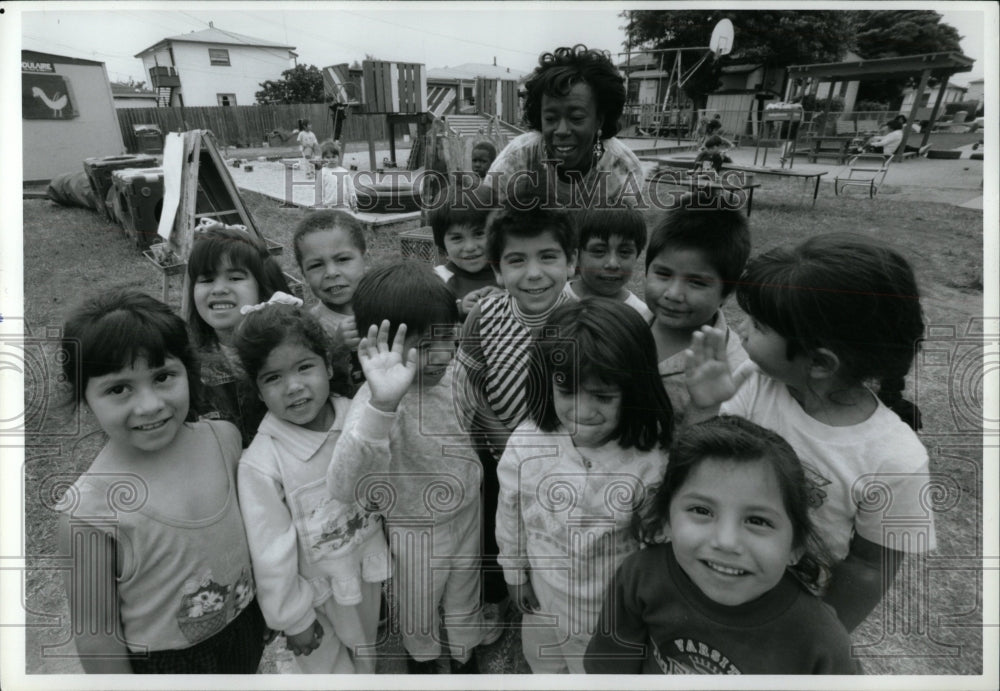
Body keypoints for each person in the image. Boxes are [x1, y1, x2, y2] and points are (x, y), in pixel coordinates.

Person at [685, 233, 933, 632]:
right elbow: (695, 473)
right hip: (711, 576)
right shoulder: (754, 383)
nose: (741, 330)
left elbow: (870, 567)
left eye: (759, 325)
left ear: (819, 362)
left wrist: (816, 634)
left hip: (786, 612)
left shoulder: (898, 460)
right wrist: (704, 406)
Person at [56, 288, 266, 673]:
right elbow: (97, 637)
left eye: (163, 376)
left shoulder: (224, 440)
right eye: (119, 389)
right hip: (166, 667)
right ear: (85, 398)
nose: (150, 404)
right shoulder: (88, 513)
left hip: (246, 630)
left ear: (188, 371)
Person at [584, 415, 857, 674]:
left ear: (795, 545)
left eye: (758, 521)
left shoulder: (820, 642)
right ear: (666, 519)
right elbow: (609, 671)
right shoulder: (641, 576)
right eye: (702, 511)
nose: (726, 542)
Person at [327, 263, 498, 674]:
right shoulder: (377, 403)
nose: (440, 353)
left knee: (464, 591)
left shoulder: (454, 374)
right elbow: (344, 487)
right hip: (417, 529)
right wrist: (382, 407)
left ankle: (463, 654)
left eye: (445, 337)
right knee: (418, 602)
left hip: (467, 511)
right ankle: (421, 659)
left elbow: (472, 419)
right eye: (421, 344)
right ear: (379, 344)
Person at [497, 298, 673, 673]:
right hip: (543, 605)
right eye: (567, 392)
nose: (582, 410)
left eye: (603, 396)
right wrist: (514, 573)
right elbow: (510, 514)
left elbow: (657, 551)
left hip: (609, 620)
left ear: (635, 390)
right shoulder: (526, 443)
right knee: (543, 668)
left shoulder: (652, 463)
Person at [234, 295, 389, 674]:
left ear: (328, 366)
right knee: (324, 671)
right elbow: (270, 553)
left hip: (362, 572)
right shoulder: (262, 463)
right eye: (273, 377)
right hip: (314, 598)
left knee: (364, 655)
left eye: (305, 367)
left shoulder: (354, 418)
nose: (293, 387)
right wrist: (294, 619)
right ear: (257, 390)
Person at [456, 185, 578, 622]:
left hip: (561, 461)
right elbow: (468, 381)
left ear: (572, 262)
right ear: (496, 269)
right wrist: (496, 431)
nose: (533, 273)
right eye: (516, 260)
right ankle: (500, 598)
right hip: (496, 453)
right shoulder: (483, 316)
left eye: (548, 256)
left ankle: (559, 598)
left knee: (552, 532)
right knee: (498, 528)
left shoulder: (583, 319)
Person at [487, 45, 645, 208]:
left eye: (576, 118)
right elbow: (485, 224)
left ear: (599, 119)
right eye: (550, 118)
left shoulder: (623, 171)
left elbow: (623, 232)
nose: (561, 131)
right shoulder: (517, 161)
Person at [644, 201, 750, 425]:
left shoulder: (736, 367)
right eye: (663, 274)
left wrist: (704, 406)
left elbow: (711, 449)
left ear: (727, 292)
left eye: (696, 283)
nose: (673, 294)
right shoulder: (623, 325)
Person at [185, 221, 291, 446]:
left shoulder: (290, 345)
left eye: (235, 278)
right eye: (206, 280)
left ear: (262, 288)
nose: (219, 289)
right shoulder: (185, 359)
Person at [292, 210, 368, 396]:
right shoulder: (309, 327)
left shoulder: (389, 303)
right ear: (303, 274)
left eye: (342, 259)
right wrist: (337, 349)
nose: (331, 272)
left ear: (365, 258)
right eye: (316, 265)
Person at [563, 204, 652, 321]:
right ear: (576, 256)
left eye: (624, 252)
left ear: (637, 255)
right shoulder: (552, 299)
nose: (612, 264)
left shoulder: (642, 316)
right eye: (599, 251)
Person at [428, 183, 502, 318]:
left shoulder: (509, 272)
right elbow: (430, 319)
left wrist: (508, 300)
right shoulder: (438, 280)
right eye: (457, 238)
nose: (470, 247)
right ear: (441, 241)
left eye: (479, 233)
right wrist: (459, 309)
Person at [318, 140, 358, 211]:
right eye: (328, 157)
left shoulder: (344, 172)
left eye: (333, 157)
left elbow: (351, 189)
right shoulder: (322, 172)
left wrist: (354, 204)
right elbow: (319, 190)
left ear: (338, 157)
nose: (331, 160)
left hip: (344, 205)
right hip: (328, 206)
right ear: (323, 159)